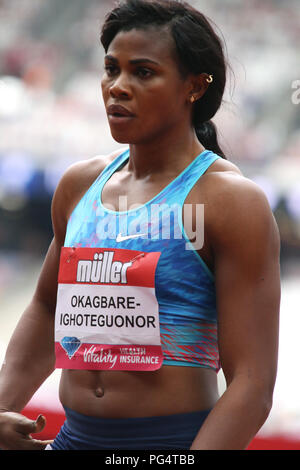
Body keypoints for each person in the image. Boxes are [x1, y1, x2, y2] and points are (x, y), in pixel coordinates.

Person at [0, 0, 280, 450]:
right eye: (112, 69)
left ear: (194, 86)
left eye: (143, 72)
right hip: (71, 439)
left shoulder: (229, 201)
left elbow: (253, 384)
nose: (118, 87)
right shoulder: (79, 185)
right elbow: (48, 307)